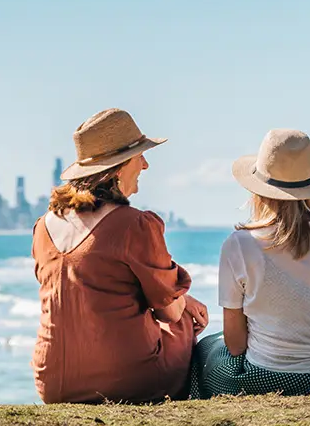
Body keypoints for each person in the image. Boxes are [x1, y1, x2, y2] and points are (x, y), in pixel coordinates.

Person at [32, 108, 208, 404]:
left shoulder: (43, 227)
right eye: (139, 156)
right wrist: (186, 305)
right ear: (118, 168)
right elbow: (170, 311)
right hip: (127, 382)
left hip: (52, 383)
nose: (146, 165)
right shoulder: (135, 224)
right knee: (184, 319)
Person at [190, 129, 310, 398]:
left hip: (265, 377)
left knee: (205, 350)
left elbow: (236, 345)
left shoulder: (239, 244)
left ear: (258, 190)